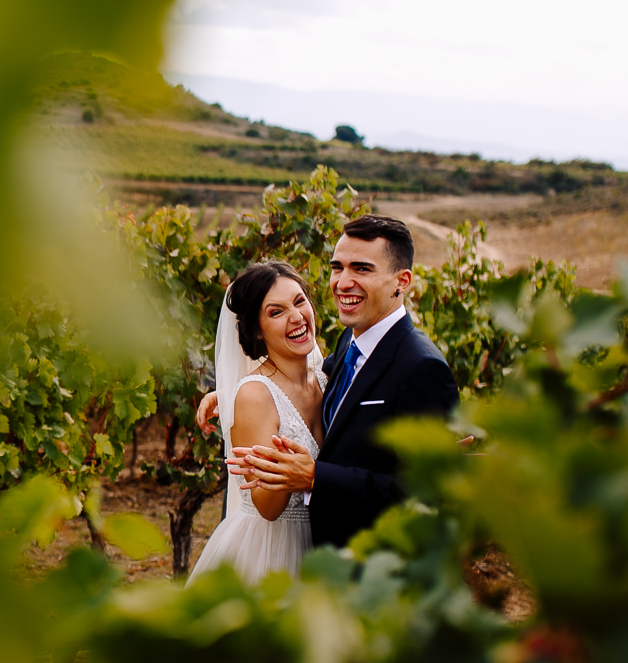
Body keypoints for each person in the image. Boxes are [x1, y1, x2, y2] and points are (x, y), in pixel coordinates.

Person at [228, 215, 459, 550]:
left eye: (362, 269)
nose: (343, 282)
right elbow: (307, 385)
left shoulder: (421, 368)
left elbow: (424, 492)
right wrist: (233, 394)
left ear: (402, 281)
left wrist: (315, 477)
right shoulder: (348, 344)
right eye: (338, 267)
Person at [186, 261, 325, 587]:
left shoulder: (326, 377)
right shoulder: (254, 397)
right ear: (257, 330)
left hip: (323, 544)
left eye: (299, 301)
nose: (296, 316)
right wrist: (289, 473)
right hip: (274, 552)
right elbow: (267, 507)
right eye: (276, 312)